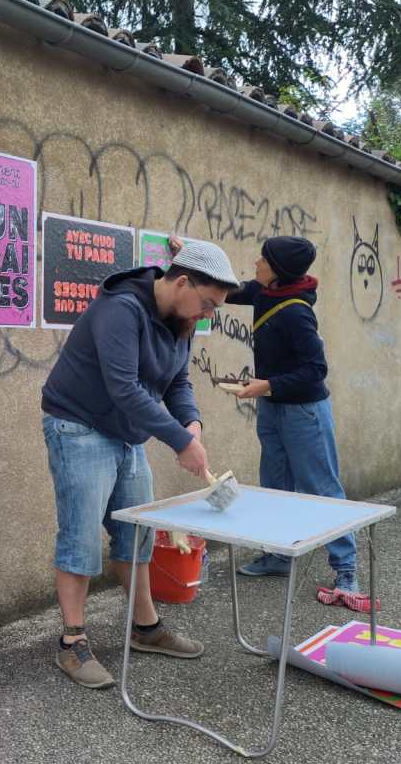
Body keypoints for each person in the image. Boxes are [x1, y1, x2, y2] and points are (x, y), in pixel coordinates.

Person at [41, 239, 240, 689]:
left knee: (137, 532)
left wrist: (191, 424)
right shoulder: (121, 309)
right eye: (208, 304)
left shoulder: (181, 320)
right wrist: (178, 442)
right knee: (80, 536)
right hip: (79, 425)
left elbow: (178, 380)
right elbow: (124, 388)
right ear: (183, 282)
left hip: (126, 432)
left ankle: (146, 628)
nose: (207, 315)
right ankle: (72, 643)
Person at [180, 235, 361, 596]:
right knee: (275, 484)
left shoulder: (297, 312)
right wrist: (188, 259)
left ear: (278, 270)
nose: (256, 263)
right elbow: (227, 290)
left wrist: (267, 385)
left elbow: (316, 370)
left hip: (305, 413)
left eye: (263, 259)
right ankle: (278, 555)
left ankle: (346, 569)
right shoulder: (264, 291)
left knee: (321, 488)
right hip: (272, 406)